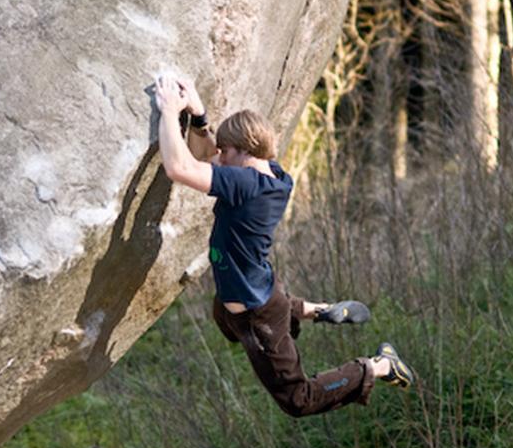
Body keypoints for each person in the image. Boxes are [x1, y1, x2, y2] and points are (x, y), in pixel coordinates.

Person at [153, 73, 414, 417]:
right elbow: (208, 158)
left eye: (225, 152)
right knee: (228, 321)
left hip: (257, 312)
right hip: (255, 287)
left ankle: (379, 365)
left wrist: (170, 111)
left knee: (298, 400)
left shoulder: (244, 184)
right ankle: (311, 309)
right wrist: (199, 117)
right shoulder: (275, 176)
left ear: (244, 152)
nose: (218, 156)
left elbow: (180, 166)